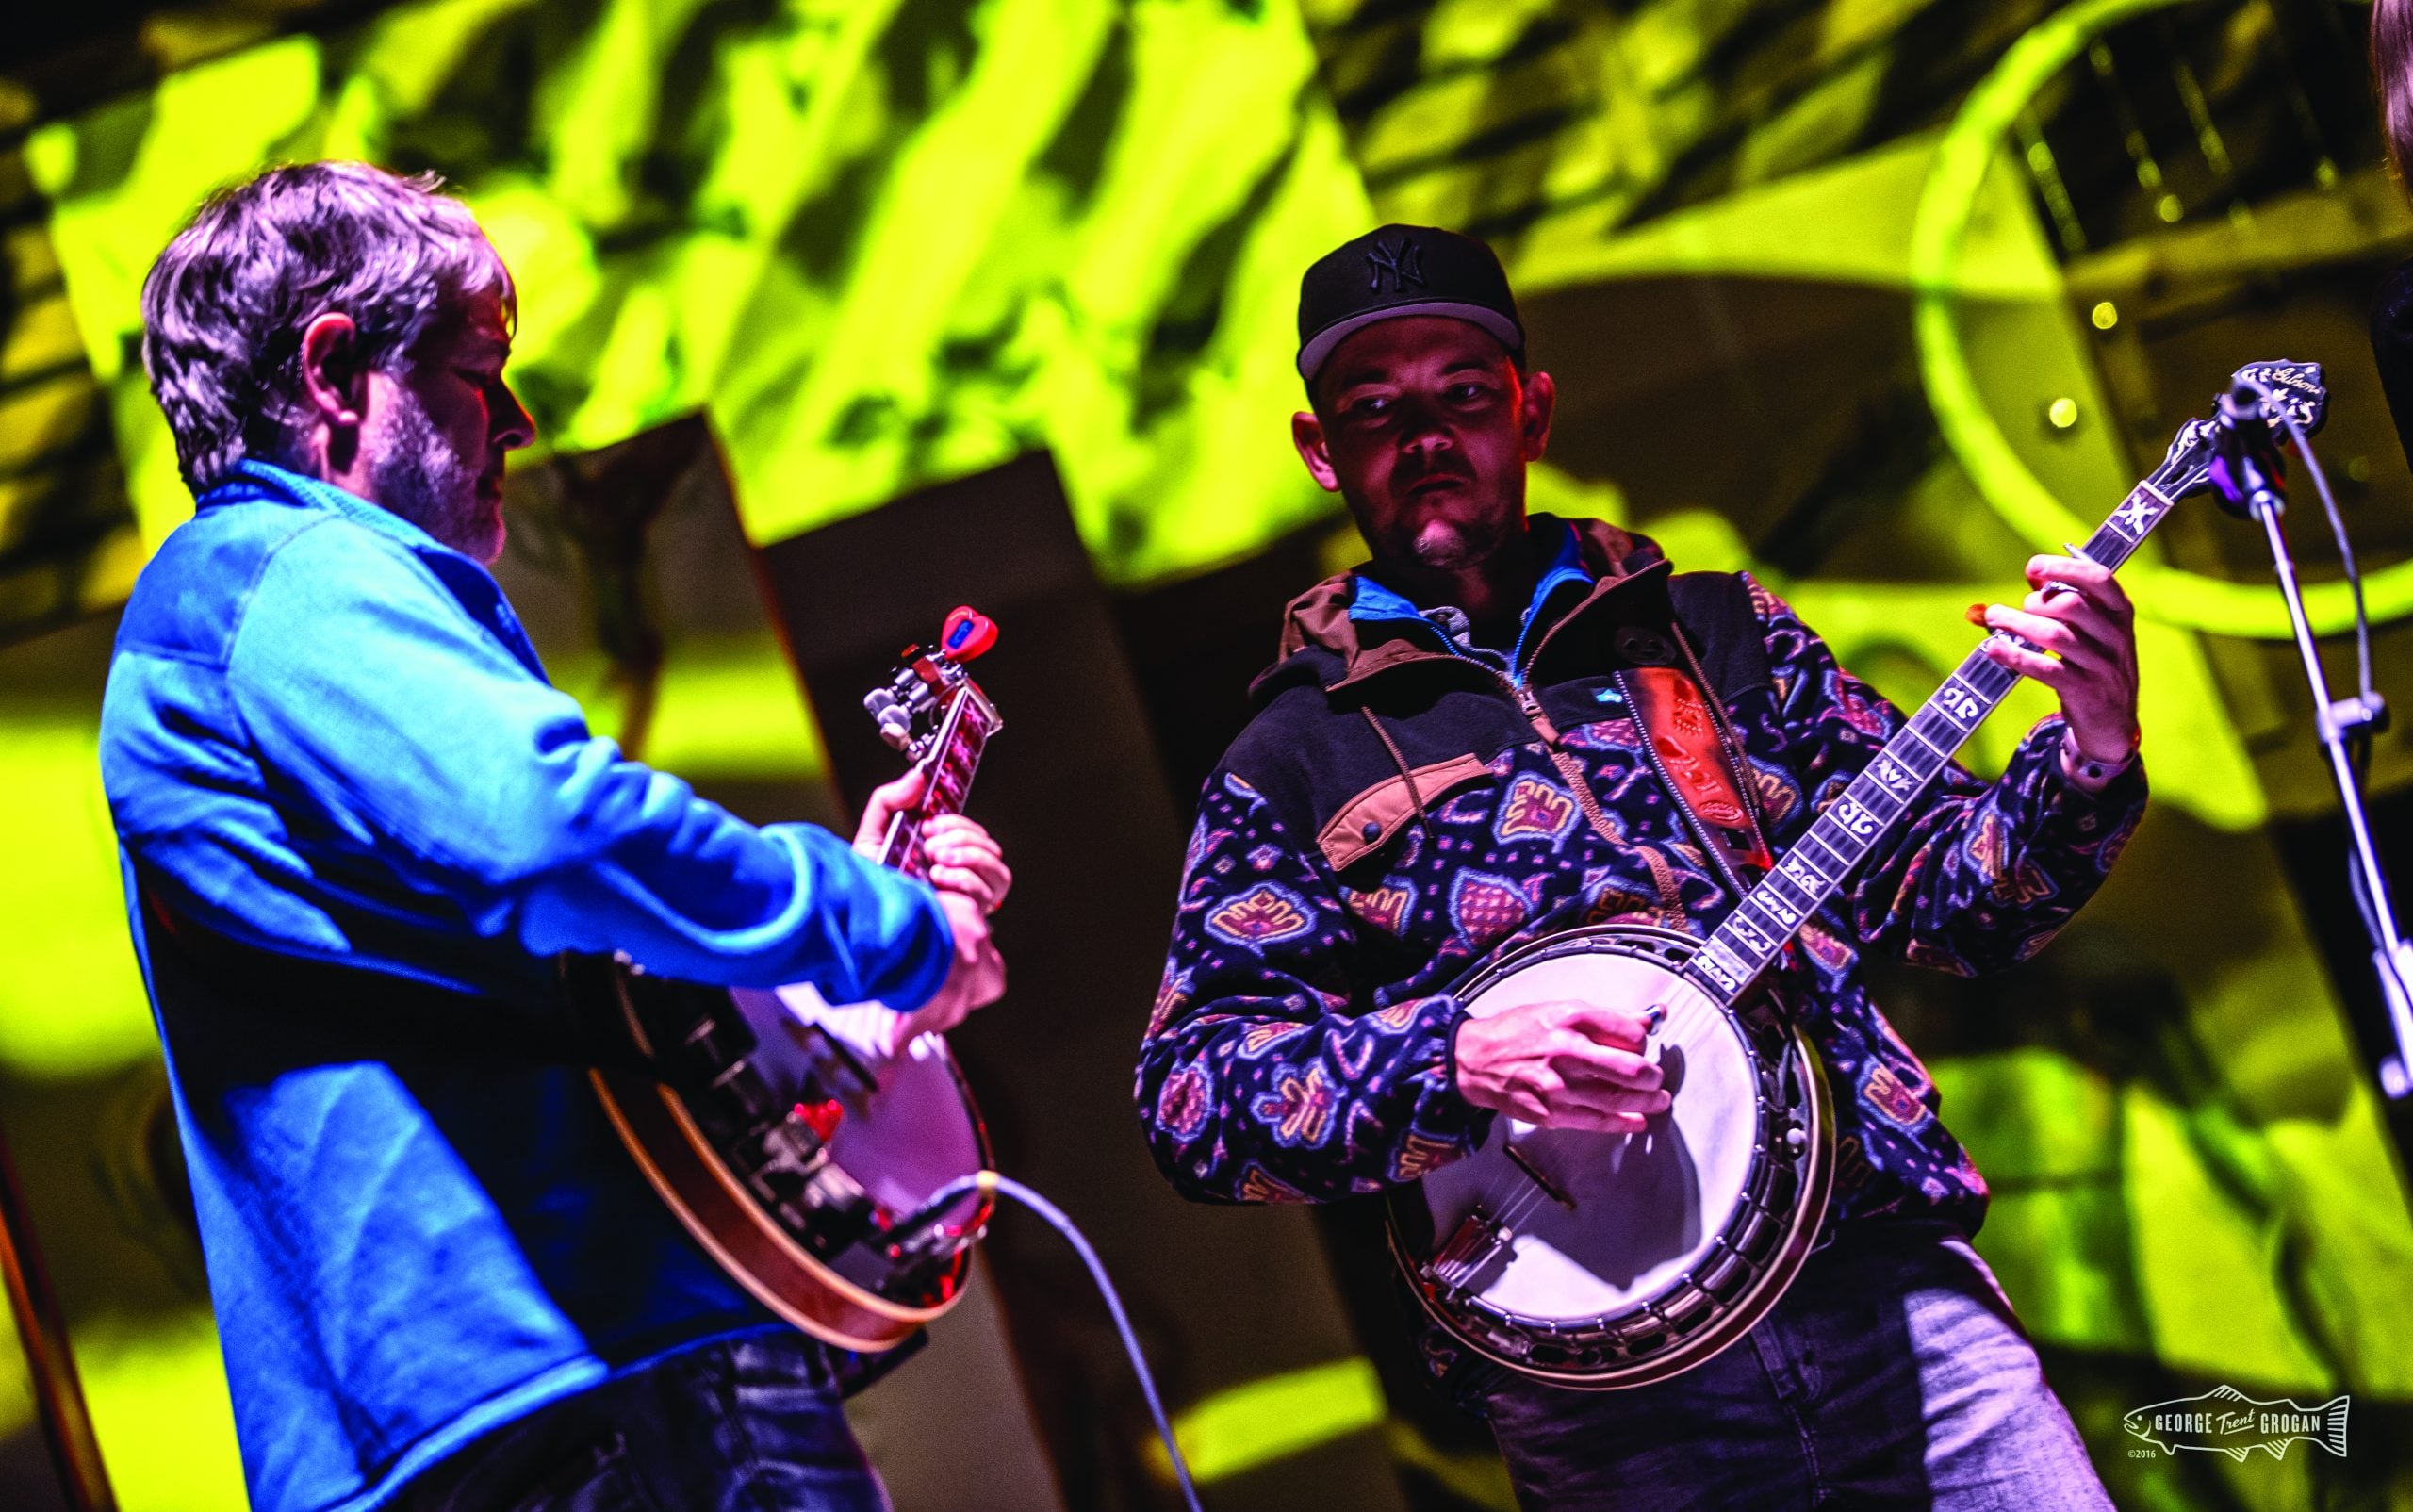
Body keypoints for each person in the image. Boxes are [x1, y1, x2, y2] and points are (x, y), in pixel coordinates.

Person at [1133, 224, 2145, 1508]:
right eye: (1375, 408)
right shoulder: (1289, 760)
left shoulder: (1719, 635)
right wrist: (1452, 1057)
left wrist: (2092, 753)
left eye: (1463, 394)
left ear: (1532, 410)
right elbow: (1196, 1098)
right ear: (1319, 449)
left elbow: (1957, 904)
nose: (1425, 435)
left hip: (1895, 1309)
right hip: (1607, 1414)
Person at [100, 161, 1010, 1512]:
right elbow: (547, 825)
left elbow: (500, 971)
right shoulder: (283, 575)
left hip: (499, 1406)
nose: (516, 420)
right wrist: (875, 929)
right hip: (586, 1381)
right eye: (481, 367)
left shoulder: (243, 624)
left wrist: (797, 970)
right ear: (337, 371)